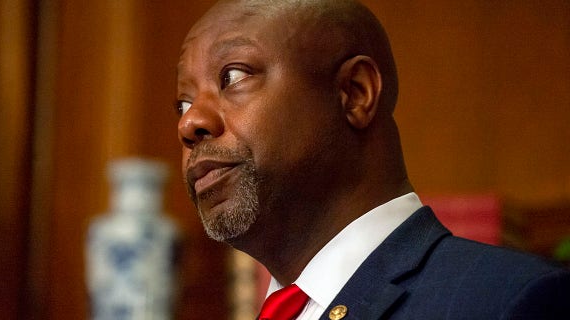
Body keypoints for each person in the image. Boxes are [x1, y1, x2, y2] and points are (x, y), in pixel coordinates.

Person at [174, 0, 570, 319]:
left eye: (233, 76)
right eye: (184, 103)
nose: (190, 123)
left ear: (355, 92)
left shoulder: (512, 301)